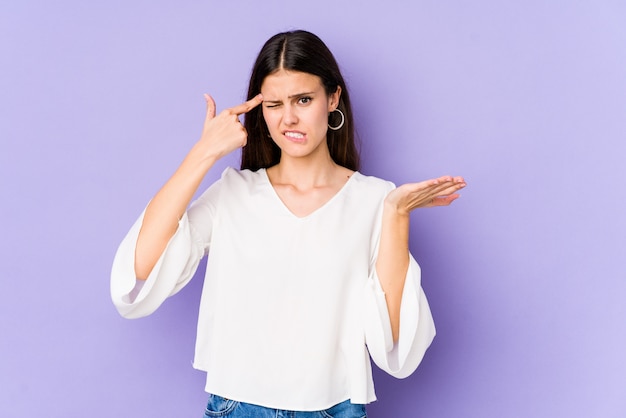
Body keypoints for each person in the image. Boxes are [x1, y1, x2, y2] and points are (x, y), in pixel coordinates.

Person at [111, 30, 466, 418]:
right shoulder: (234, 194)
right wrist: (204, 153)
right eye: (274, 104)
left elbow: (397, 344)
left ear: (332, 99)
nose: (289, 118)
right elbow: (141, 270)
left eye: (303, 99)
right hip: (237, 406)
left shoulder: (375, 199)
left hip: (335, 408)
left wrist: (397, 214)